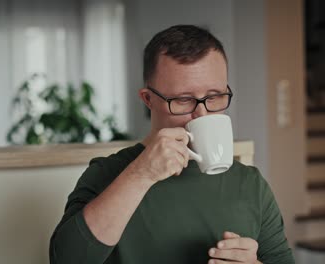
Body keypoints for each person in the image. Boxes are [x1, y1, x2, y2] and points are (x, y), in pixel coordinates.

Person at [50, 25, 295, 264]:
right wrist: (141, 174)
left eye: (214, 97)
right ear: (148, 99)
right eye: (183, 100)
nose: (201, 114)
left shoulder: (250, 184)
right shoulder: (108, 173)